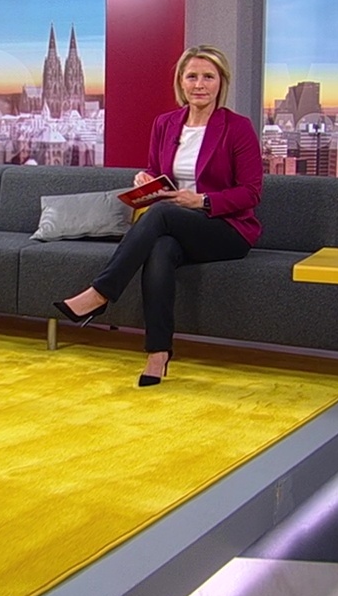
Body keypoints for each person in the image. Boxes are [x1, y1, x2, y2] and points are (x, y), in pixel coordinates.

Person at [53, 45, 262, 386]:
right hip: (176, 225)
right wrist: (145, 179)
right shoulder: (166, 124)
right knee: (161, 249)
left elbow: (251, 192)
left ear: (221, 82)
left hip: (226, 228)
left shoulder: (237, 127)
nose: (199, 84)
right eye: (191, 76)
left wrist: (202, 201)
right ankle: (158, 353)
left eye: (208, 77)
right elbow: (156, 169)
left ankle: (101, 293)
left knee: (163, 213)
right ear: (181, 82)